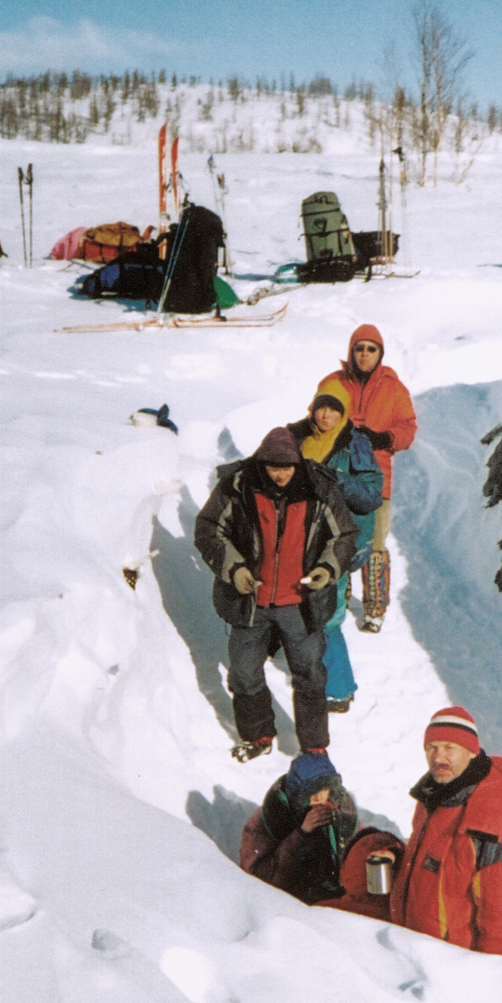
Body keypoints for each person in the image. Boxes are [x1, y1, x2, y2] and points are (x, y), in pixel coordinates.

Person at [193, 426, 357, 760]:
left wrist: (327, 569)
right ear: (260, 462)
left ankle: (313, 745)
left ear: (297, 464)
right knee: (243, 672)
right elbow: (208, 529)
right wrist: (234, 569)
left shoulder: (318, 488)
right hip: (251, 602)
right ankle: (258, 736)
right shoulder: (238, 487)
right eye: (273, 467)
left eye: (287, 467)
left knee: (310, 675)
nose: (280, 474)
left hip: (301, 603)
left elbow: (344, 535)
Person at [391, 706, 502, 955]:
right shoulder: (433, 798)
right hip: (417, 955)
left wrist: (488, 978)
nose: (438, 758)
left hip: (455, 966)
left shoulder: (492, 814)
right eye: (431, 748)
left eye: (449, 748)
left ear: (471, 751)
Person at [286, 384, 383, 713]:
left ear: (344, 412)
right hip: (298, 539)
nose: (326, 414)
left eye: (334, 408)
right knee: (304, 609)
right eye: (321, 407)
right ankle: (313, 671)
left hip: (336, 542)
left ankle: (339, 689)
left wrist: (338, 480)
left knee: (328, 617)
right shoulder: (295, 436)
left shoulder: (354, 443)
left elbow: (371, 495)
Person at [318, 324, 417, 633]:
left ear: (380, 353)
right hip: (335, 473)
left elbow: (408, 430)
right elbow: (315, 417)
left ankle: (375, 607)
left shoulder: (394, 389)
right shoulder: (333, 382)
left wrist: (383, 438)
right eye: (359, 348)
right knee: (336, 536)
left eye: (370, 349)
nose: (364, 354)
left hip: (377, 480)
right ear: (351, 351)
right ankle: (340, 596)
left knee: (374, 543)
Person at [239, 752, 405, 919]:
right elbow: (261, 882)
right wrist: (301, 834)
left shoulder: (339, 813)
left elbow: (357, 850)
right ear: (297, 794)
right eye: (312, 792)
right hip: (284, 910)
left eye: (324, 790)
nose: (320, 798)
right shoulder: (270, 819)